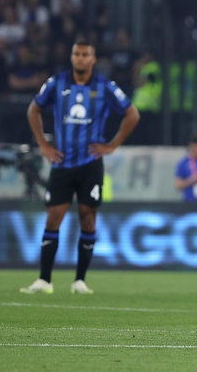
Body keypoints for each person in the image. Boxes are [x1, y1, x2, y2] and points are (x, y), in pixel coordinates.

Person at [20, 40, 140, 294]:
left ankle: (80, 281)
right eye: (77, 53)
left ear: (93, 59)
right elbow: (34, 109)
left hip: (90, 164)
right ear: (72, 57)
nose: (81, 58)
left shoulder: (105, 86)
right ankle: (44, 280)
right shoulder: (57, 82)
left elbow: (132, 113)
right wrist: (43, 144)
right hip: (62, 162)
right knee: (54, 217)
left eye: (85, 54)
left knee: (88, 217)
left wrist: (112, 145)